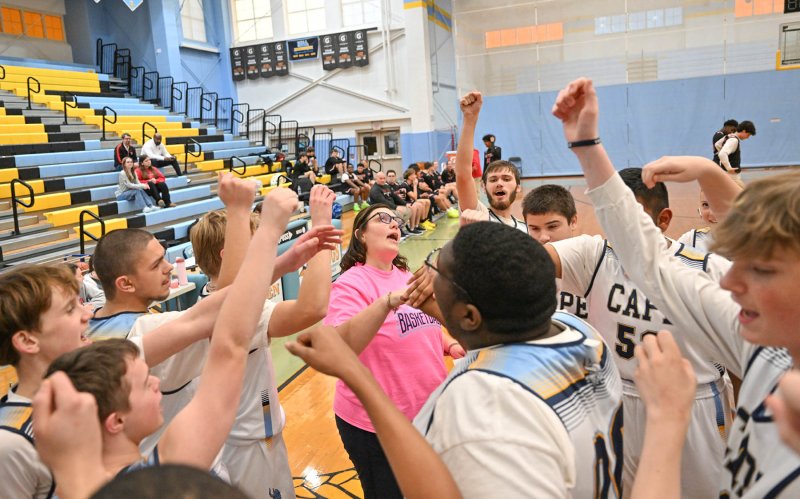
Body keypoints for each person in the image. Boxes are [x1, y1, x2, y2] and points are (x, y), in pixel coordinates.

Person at [552, 76, 800, 497]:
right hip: (625, 395)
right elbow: (647, 256)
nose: (732, 281)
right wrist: (588, 147)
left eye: (761, 270)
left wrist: (667, 419)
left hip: (695, 405)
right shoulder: (766, 346)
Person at [44, 186, 298, 481]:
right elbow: (225, 314)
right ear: (125, 283)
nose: (168, 268)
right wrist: (251, 221)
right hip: (182, 472)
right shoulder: (145, 331)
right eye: (156, 264)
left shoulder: (93, 332)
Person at [546, 167, 733, 498]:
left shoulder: (706, 268)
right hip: (618, 397)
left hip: (697, 400)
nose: (620, 230)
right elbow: (526, 261)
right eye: (612, 218)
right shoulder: (595, 253)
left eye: (632, 218)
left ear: (663, 219)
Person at [413, 222, 622, 497]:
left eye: (437, 268)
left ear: (470, 316)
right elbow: (495, 346)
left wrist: (356, 374)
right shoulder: (575, 328)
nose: (430, 270)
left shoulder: (481, 407)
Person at [0, 262, 229, 498]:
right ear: (27, 341)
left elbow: (196, 321)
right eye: (70, 309)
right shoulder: (10, 443)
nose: (87, 314)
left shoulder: (104, 367)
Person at [190, 184, 341, 498]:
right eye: (256, 243)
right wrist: (321, 225)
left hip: (248, 437)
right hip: (247, 446)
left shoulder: (205, 307)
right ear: (228, 253)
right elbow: (312, 307)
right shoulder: (238, 313)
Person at [324, 203, 463, 499]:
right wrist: (386, 302)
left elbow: (418, 325)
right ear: (360, 234)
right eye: (383, 219)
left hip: (426, 414)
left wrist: (449, 343)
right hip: (376, 426)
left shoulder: (404, 274)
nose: (394, 224)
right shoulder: (350, 284)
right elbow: (340, 346)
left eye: (396, 220)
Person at [455, 92, 526, 232]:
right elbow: (463, 175)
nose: (499, 183)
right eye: (493, 180)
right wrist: (470, 118)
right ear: (483, 186)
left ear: (518, 187)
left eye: (506, 179)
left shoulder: (527, 229)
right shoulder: (479, 216)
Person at [520, 184, 587, 318]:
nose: (543, 237)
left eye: (552, 227)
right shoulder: (523, 269)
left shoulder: (593, 260)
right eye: (534, 228)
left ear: (573, 221)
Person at [369, 172, 411, 237]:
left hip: (390, 207)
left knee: (408, 211)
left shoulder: (386, 186)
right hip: (381, 209)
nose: (382, 180)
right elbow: (383, 202)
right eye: (380, 178)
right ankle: (395, 232)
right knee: (398, 214)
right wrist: (396, 207)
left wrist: (405, 204)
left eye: (384, 178)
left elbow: (395, 197)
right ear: (376, 179)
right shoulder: (375, 190)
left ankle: (399, 229)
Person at [386, 169, 427, 234]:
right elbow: (389, 197)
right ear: (387, 177)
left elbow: (402, 196)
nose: (391, 178)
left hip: (402, 202)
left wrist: (402, 195)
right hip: (393, 205)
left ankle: (416, 225)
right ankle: (411, 227)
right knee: (414, 206)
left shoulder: (397, 185)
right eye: (389, 176)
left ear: (395, 177)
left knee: (420, 204)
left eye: (393, 176)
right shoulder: (386, 186)